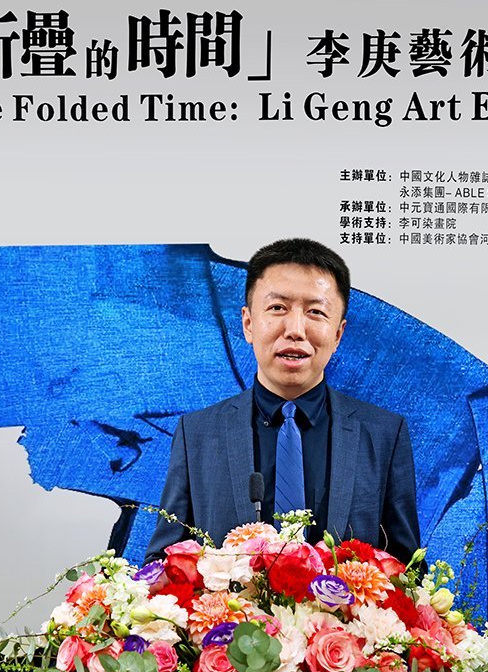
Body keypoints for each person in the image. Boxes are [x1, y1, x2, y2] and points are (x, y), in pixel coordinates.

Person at [145, 237, 420, 561]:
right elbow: (164, 563)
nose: (295, 329)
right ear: (248, 323)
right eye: (278, 308)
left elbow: (406, 570)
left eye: (316, 312)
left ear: (338, 334)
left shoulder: (384, 434)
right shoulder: (198, 433)